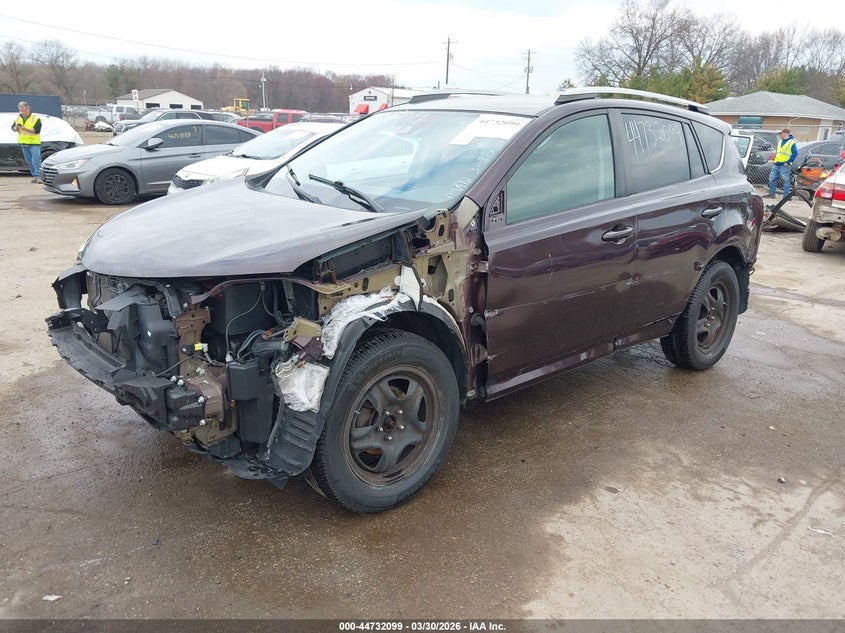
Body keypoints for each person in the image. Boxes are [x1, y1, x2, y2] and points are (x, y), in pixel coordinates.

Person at [12, 101, 43, 183]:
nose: (22, 112)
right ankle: (34, 176)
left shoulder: (35, 118)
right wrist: (16, 128)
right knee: (29, 161)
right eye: (20, 110)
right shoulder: (18, 118)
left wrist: (24, 128)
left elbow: (36, 130)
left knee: (36, 160)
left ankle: (39, 176)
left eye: (23, 110)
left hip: (34, 143)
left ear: (28, 109)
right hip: (24, 143)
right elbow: (13, 128)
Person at [766, 128, 797, 198]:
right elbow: (778, 152)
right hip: (777, 163)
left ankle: (786, 196)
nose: (780, 135)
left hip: (784, 165)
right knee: (772, 179)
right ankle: (771, 194)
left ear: (785, 133)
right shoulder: (780, 141)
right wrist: (774, 159)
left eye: (781, 133)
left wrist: (789, 162)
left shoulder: (792, 142)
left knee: (786, 180)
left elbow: (795, 153)